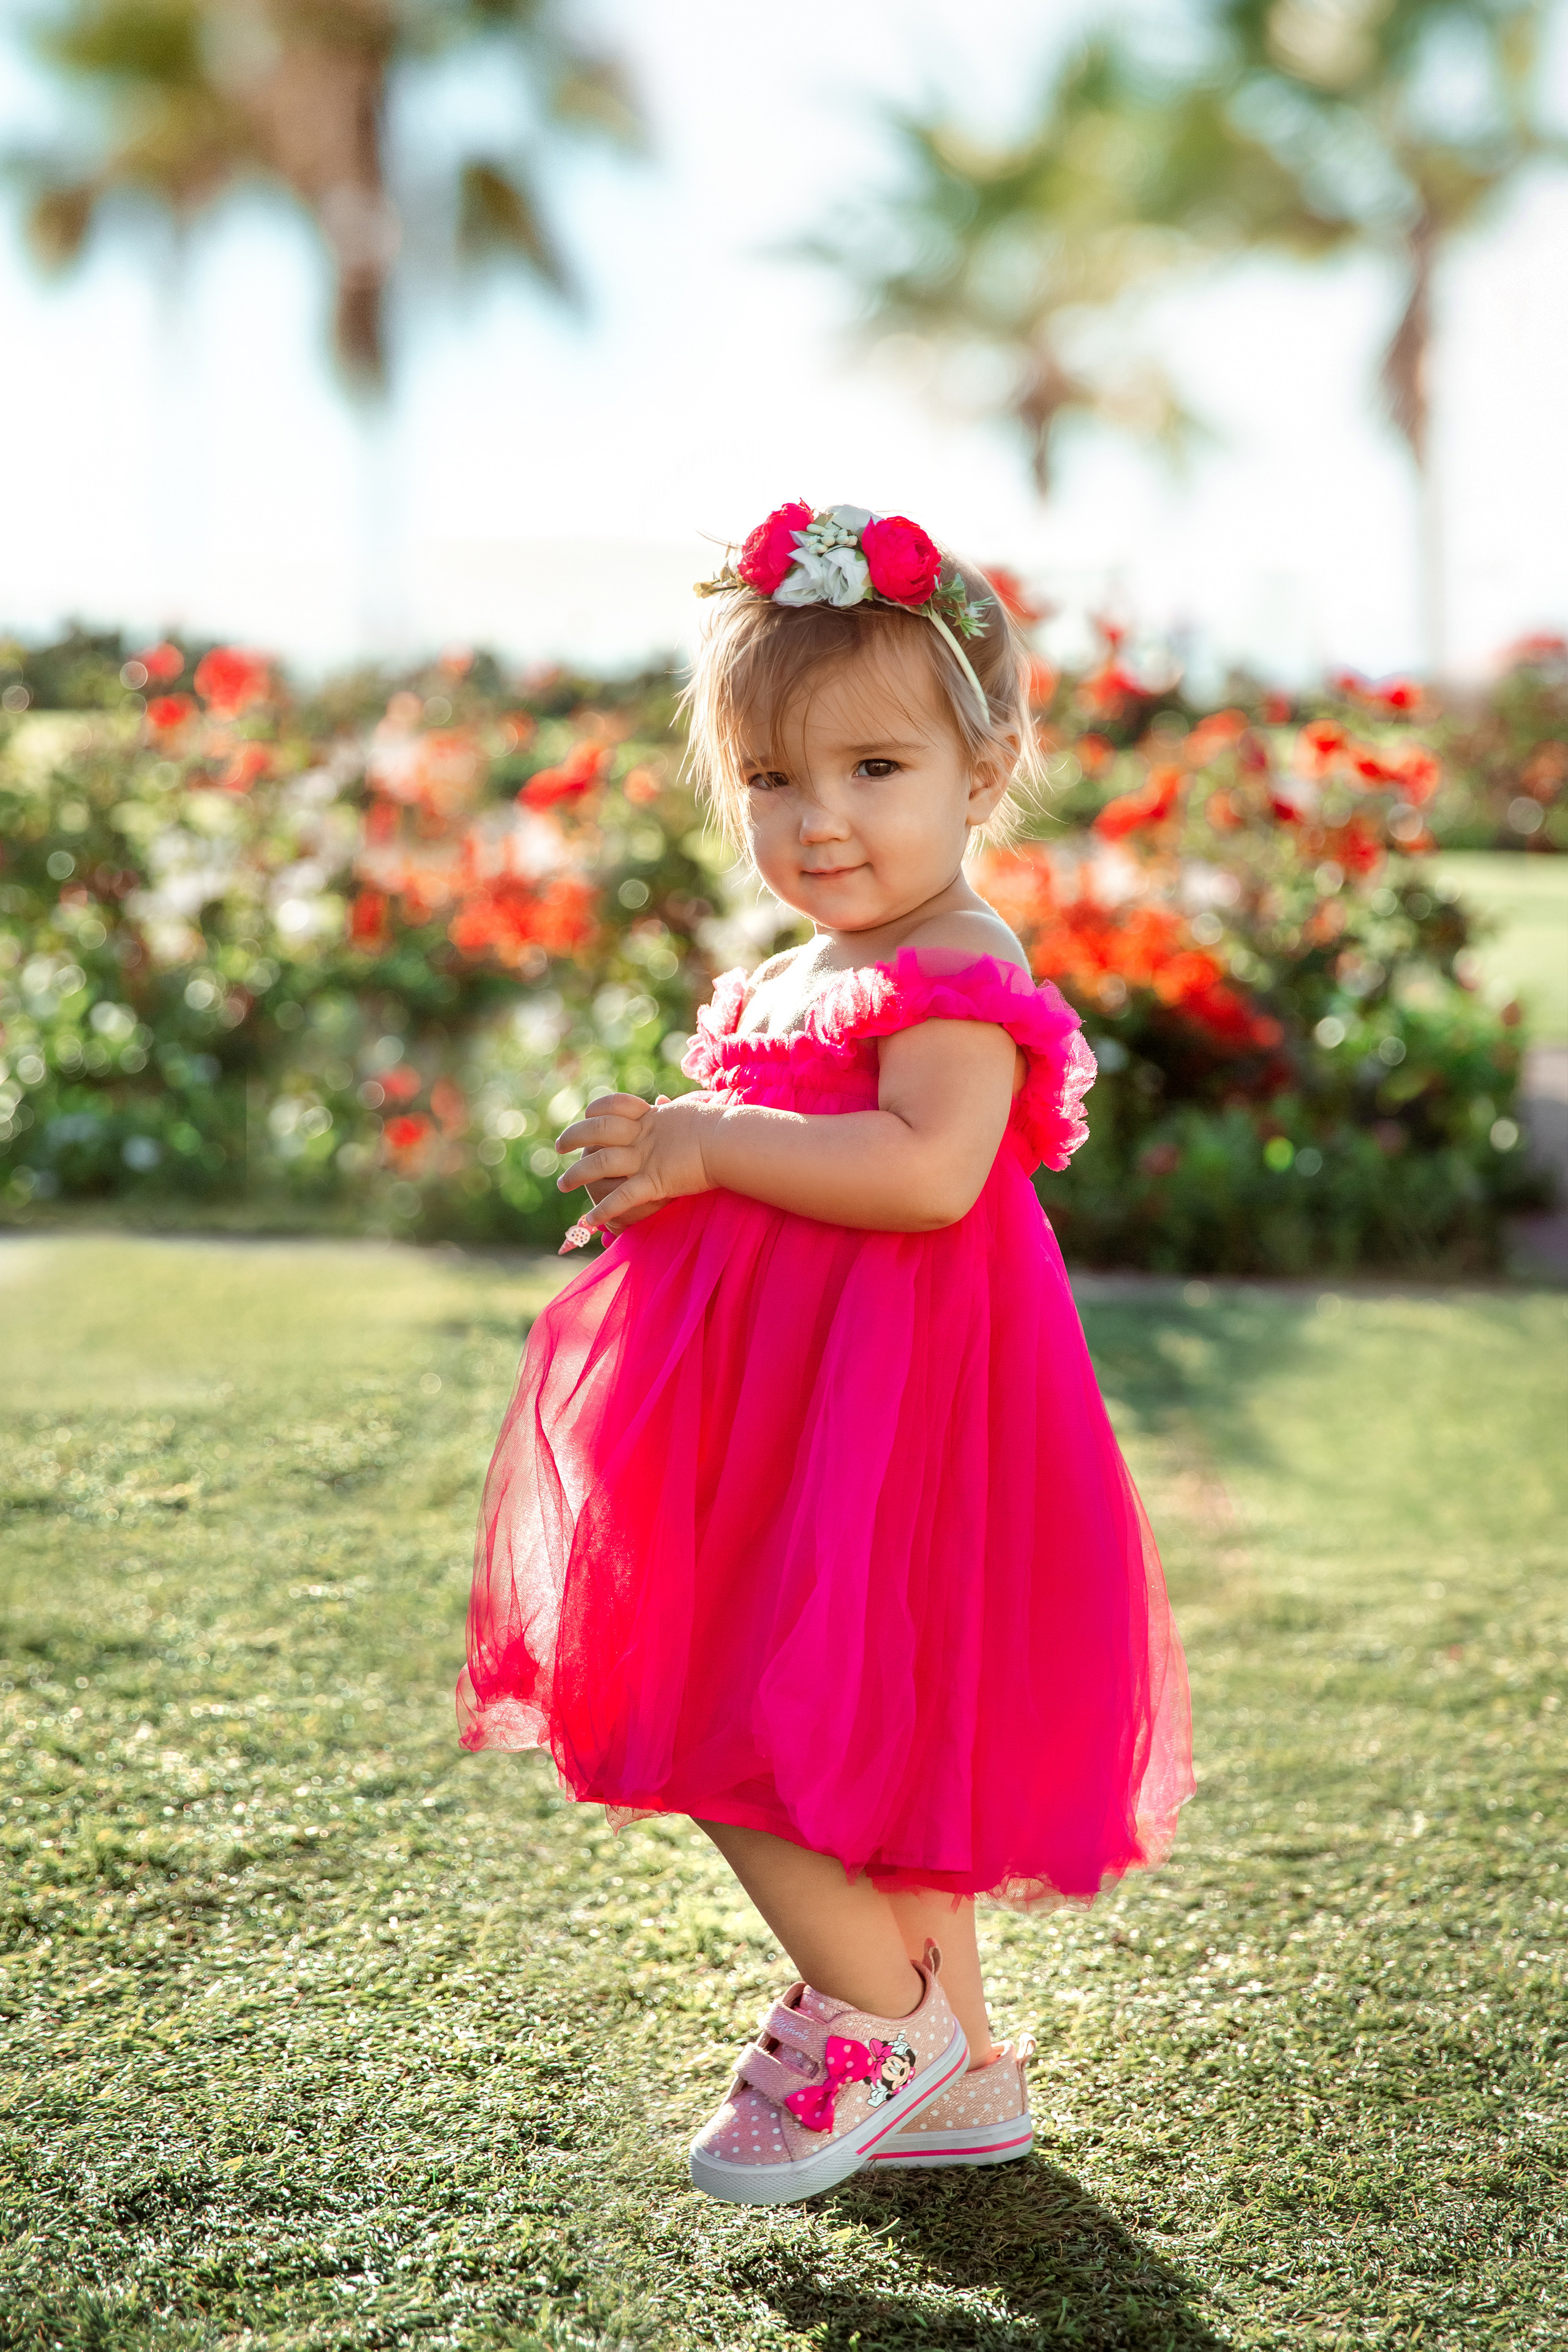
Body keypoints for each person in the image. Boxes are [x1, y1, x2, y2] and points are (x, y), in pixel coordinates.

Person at [458, 500, 1193, 2206]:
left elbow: (927, 1173)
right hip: (790, 1426)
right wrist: (672, 1181)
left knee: (728, 1713)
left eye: (874, 768)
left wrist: (707, 1143)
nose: (821, 818)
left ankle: (878, 2017)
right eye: (774, 779)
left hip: (895, 1430)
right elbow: (783, 1186)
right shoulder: (802, 970)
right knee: (867, 1752)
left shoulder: (956, 962)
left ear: (982, 771)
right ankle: (962, 2065)